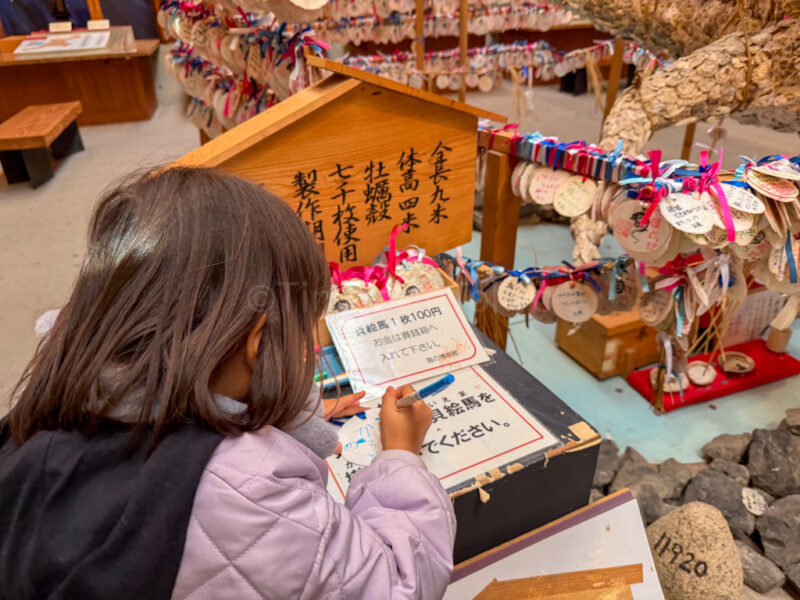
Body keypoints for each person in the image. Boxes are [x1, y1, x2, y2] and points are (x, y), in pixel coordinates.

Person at [0, 167, 456, 600]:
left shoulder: (36, 415)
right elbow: (399, 584)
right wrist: (401, 456)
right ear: (258, 342)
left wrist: (295, 413)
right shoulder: (247, 493)